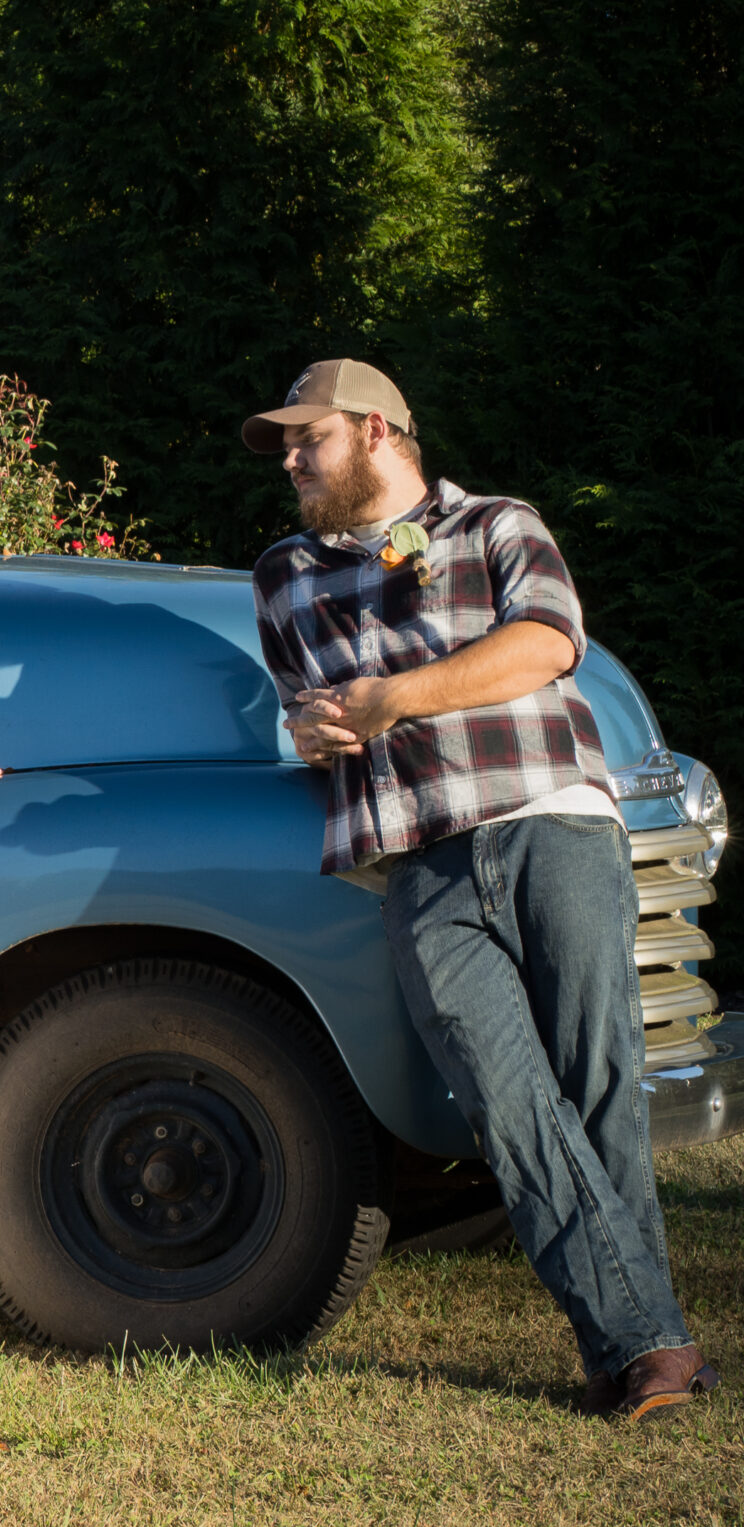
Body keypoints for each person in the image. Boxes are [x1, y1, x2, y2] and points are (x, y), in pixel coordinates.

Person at [245, 360, 716, 1421]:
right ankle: (654, 1344)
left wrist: (388, 699)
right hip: (415, 863)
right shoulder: (281, 575)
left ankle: (638, 1356)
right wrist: (315, 731)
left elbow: (544, 646)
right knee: (507, 1108)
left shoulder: (498, 526)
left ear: (374, 431)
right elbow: (304, 714)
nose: (286, 459)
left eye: (303, 439)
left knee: (597, 1092)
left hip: (550, 824)